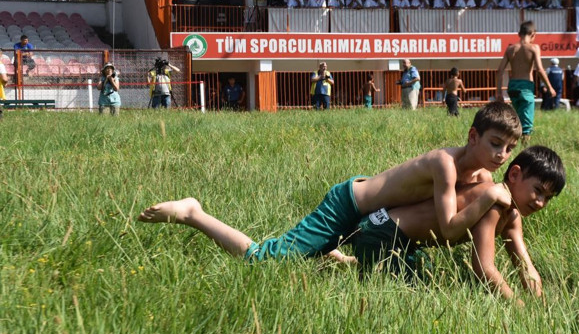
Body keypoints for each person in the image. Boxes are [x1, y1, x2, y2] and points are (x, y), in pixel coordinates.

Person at [137, 102, 523, 265]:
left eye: (509, 148)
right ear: (473, 136)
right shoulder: (446, 164)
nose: (501, 155)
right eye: (494, 144)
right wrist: (490, 196)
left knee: (407, 266)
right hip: (349, 205)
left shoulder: (482, 176)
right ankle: (193, 213)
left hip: (379, 224)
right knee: (266, 260)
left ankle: (335, 255)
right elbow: (450, 226)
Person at [348, 145, 565, 301]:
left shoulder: (513, 214)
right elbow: (484, 267)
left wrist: (539, 303)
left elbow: (525, 265)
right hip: (380, 234)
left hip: (398, 240)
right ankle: (357, 257)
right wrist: (519, 308)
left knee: (423, 269)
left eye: (548, 198)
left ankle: (352, 259)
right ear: (515, 174)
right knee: (419, 294)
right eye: (538, 191)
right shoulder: (494, 204)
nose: (540, 202)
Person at [497, 21, 556, 144]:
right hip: (525, 87)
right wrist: (549, 87)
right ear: (533, 34)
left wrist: (499, 93)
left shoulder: (510, 49)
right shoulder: (534, 48)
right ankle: (524, 148)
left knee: (518, 118)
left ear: (519, 33)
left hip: (512, 87)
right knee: (527, 124)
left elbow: (500, 70)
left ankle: (512, 142)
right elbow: (539, 69)